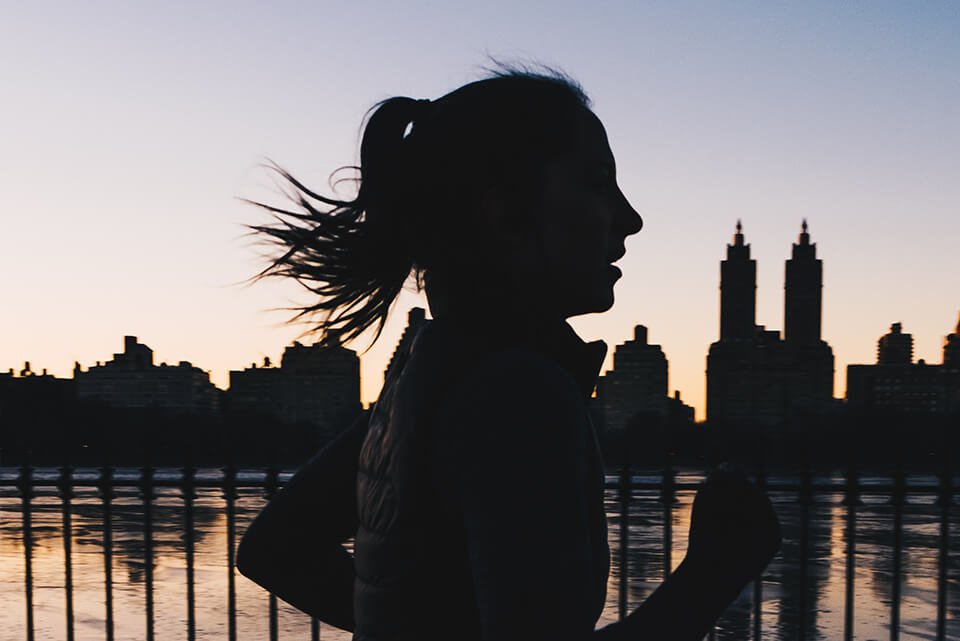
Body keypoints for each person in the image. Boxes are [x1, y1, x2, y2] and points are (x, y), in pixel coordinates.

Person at [236, 66, 781, 641]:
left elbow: (276, 550)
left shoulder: (424, 378)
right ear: (507, 214)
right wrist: (715, 571)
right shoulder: (519, 393)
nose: (630, 219)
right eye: (599, 184)